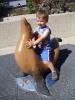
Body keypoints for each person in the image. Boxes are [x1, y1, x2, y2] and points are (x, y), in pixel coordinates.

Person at [26, 8, 58, 80]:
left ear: (46, 21)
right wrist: (29, 37)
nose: (39, 23)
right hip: (37, 47)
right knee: (32, 56)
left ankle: (53, 71)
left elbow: (41, 38)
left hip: (45, 49)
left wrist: (33, 43)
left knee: (46, 62)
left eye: (41, 21)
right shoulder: (37, 28)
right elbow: (33, 34)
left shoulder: (47, 30)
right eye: (37, 21)